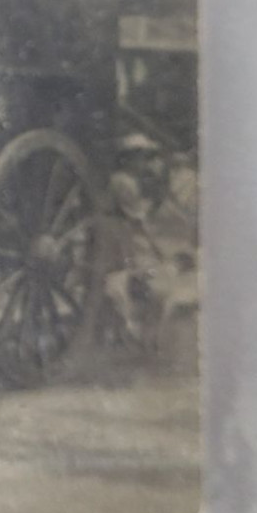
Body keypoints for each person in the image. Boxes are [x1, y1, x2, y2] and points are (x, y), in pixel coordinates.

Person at [97, 132, 173, 354]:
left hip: (116, 234)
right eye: (140, 158)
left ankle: (127, 332)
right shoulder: (125, 182)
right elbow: (138, 220)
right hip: (121, 238)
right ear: (129, 159)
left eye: (145, 158)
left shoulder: (120, 180)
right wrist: (157, 247)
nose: (143, 164)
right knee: (150, 277)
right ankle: (135, 330)